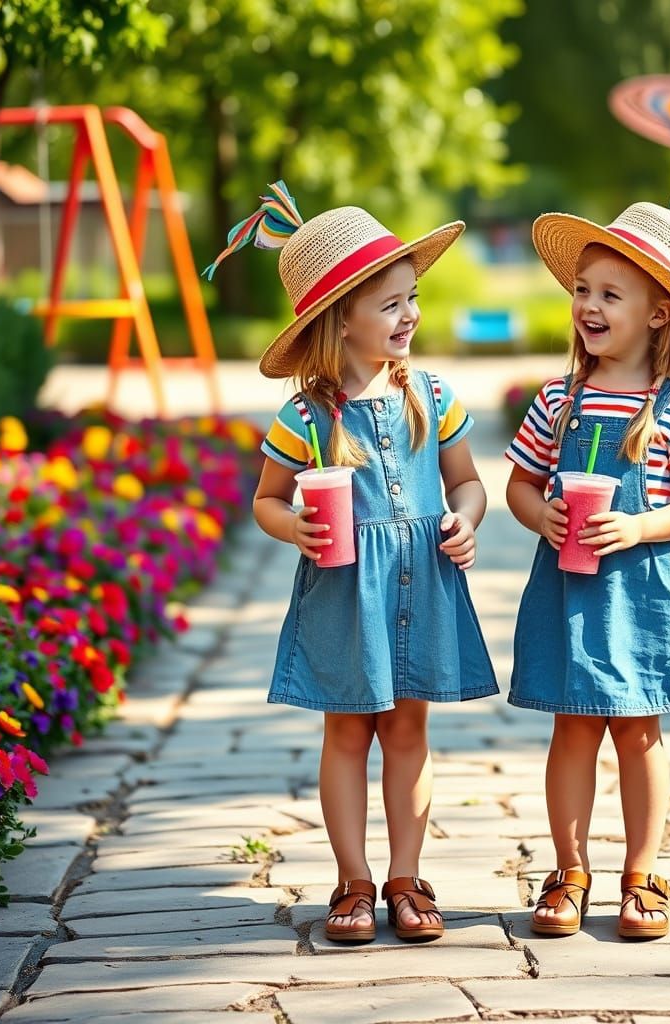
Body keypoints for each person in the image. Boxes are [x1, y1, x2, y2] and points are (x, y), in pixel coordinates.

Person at [204, 183, 498, 944]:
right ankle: (353, 880)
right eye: (392, 304)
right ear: (341, 319)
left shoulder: (431, 395)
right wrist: (294, 527)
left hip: (423, 585)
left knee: (408, 733)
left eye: (413, 298)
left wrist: (465, 522)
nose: (411, 316)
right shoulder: (305, 416)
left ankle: (406, 878)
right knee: (347, 734)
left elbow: (466, 481)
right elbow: (266, 500)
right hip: (343, 592)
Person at [504, 191, 670, 940]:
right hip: (568, 586)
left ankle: (641, 875)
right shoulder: (558, 399)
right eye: (582, 290)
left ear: (657, 314)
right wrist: (538, 513)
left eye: (609, 293)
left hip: (640, 591)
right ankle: (569, 871)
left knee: (638, 731)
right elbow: (520, 483)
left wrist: (644, 523)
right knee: (573, 729)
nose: (587, 304)